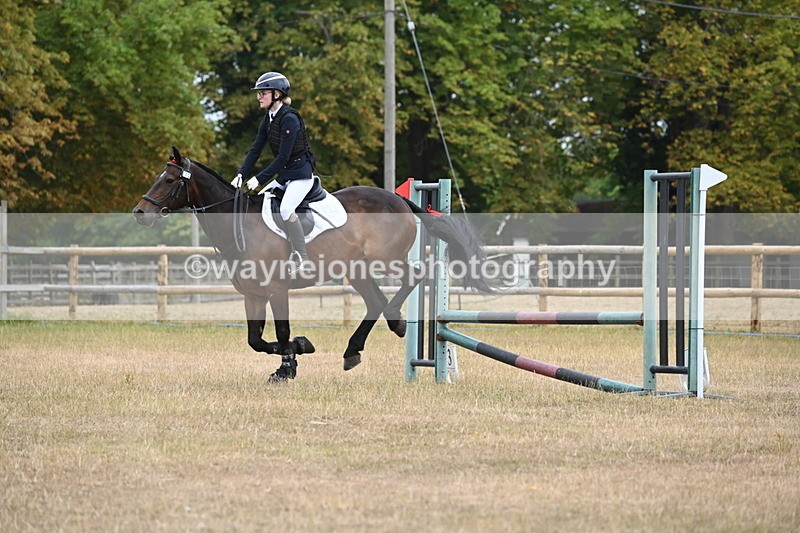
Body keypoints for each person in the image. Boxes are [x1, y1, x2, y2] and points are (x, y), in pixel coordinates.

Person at [231, 71, 316, 273]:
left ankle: (302, 258)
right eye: (258, 93)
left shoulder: (290, 119)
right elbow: (256, 149)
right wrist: (241, 174)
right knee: (260, 201)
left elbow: (282, 158)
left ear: (277, 94)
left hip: (301, 174)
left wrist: (258, 179)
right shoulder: (268, 118)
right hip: (286, 175)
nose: (259, 97)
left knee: (286, 209)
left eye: (263, 93)